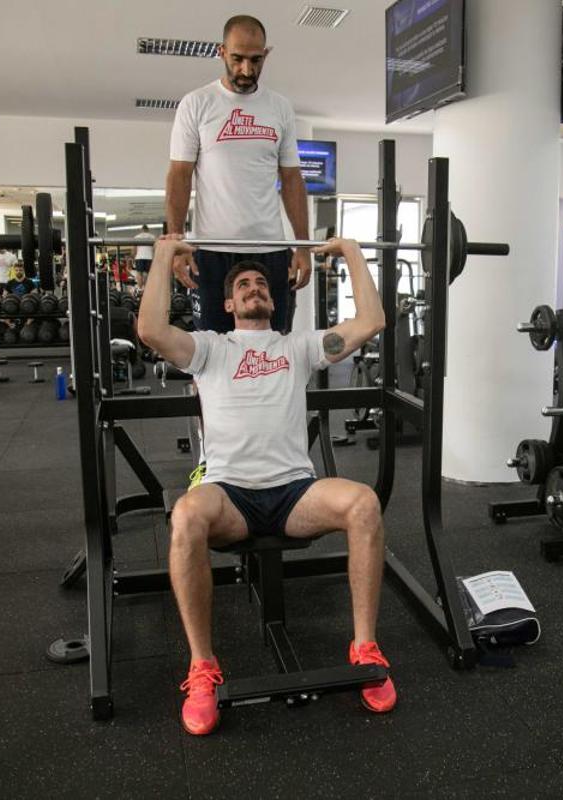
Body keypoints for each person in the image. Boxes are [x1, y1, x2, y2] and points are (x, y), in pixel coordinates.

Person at [137, 234, 393, 736]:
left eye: (261, 284)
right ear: (228, 305)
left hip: (294, 492)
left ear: (273, 301)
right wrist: (165, 253)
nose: (254, 288)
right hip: (230, 494)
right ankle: (202, 667)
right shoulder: (209, 348)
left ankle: (365, 648)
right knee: (186, 515)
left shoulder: (298, 347)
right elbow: (149, 329)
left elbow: (372, 321)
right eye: (243, 286)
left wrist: (352, 252)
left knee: (363, 503)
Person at [164, 14, 311, 336]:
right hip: (212, 249)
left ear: (266, 55)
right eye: (237, 58)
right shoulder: (197, 104)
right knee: (213, 347)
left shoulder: (279, 107)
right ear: (221, 52)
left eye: (256, 60)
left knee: (276, 344)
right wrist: (177, 241)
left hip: (271, 248)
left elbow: (291, 179)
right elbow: (179, 175)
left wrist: (303, 245)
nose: (246, 69)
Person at [133, 224, 155, 291]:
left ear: (142, 230)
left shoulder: (137, 237)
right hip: (149, 257)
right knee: (147, 274)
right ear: (148, 230)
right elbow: (154, 249)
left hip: (139, 257)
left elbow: (134, 249)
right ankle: (146, 289)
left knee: (139, 273)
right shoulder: (152, 237)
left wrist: (133, 257)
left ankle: (140, 289)